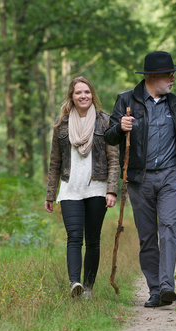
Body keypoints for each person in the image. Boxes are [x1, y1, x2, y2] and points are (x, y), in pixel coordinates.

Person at [105, 51, 176, 307]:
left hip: (169, 177)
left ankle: (167, 286)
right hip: (139, 180)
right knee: (147, 237)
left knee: (168, 229)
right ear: (154, 76)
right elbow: (109, 137)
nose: (173, 79)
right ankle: (155, 290)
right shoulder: (126, 100)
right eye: (169, 74)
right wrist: (119, 127)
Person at [45, 76, 119, 299]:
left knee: (93, 239)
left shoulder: (106, 122)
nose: (83, 96)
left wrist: (111, 190)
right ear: (72, 96)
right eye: (78, 92)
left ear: (92, 95)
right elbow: (55, 162)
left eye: (86, 92)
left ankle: (88, 288)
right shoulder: (62, 125)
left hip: (97, 188)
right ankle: (74, 283)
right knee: (74, 237)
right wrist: (50, 193)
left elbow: (113, 158)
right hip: (70, 189)